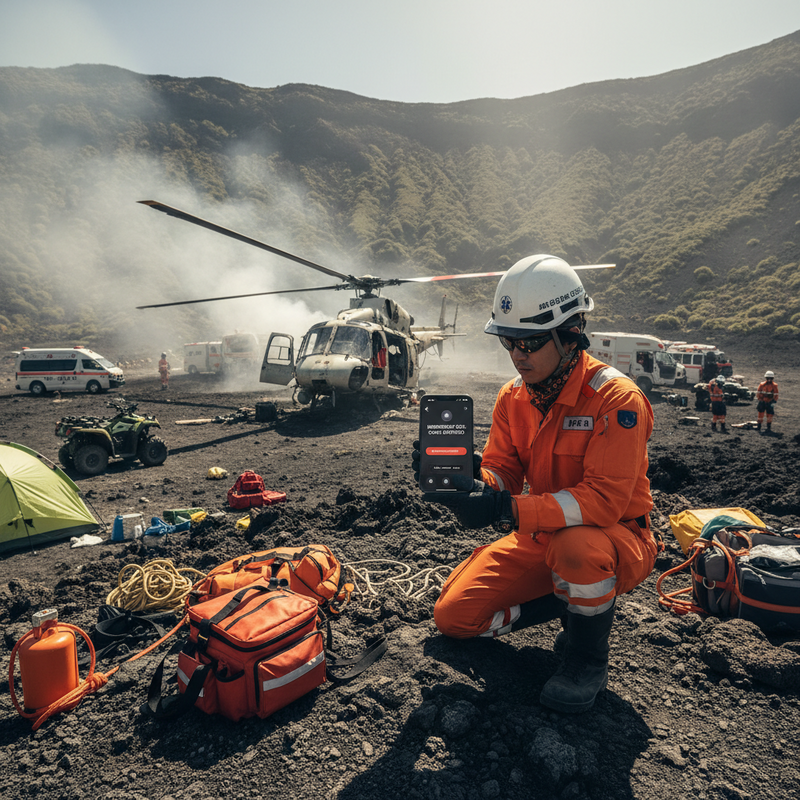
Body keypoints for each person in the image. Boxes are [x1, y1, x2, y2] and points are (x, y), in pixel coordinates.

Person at [414, 254, 659, 714]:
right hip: (541, 535)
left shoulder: (616, 398)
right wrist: (470, 480)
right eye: (508, 342)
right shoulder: (513, 398)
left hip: (617, 538)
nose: (517, 355)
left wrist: (507, 510)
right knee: (454, 618)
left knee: (578, 549)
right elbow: (503, 473)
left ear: (570, 335)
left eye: (528, 341)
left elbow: (604, 502)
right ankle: (572, 603)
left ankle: (585, 661)